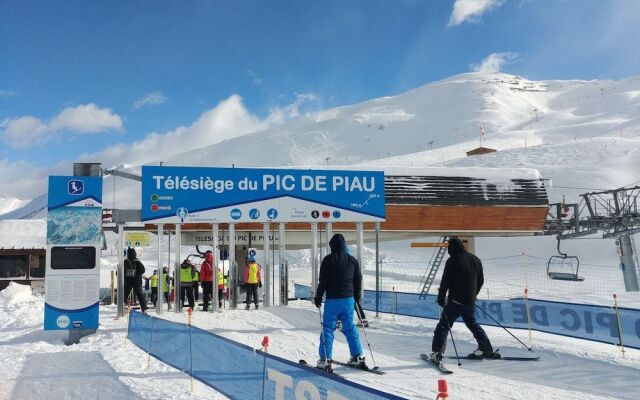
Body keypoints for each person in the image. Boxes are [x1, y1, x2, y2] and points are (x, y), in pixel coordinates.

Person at [429, 237, 497, 364]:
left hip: (455, 301)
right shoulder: (475, 259)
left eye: (449, 248)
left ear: (452, 248)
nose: (448, 251)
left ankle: (437, 353)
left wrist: (441, 299)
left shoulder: (452, 260)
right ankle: (486, 349)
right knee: (472, 324)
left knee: (443, 326)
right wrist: (473, 294)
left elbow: (445, 282)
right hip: (469, 302)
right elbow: (481, 281)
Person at [314, 233, 365, 370]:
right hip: (348, 300)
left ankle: (325, 358)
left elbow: (323, 281)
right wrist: (356, 298)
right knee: (349, 327)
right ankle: (357, 356)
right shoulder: (353, 260)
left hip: (333, 300)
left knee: (328, 328)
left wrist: (318, 297)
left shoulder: (328, 260)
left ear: (332, 246)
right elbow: (358, 280)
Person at [124, 247, 148, 313]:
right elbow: (142, 270)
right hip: (137, 281)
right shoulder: (137, 261)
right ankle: (144, 309)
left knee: (124, 295)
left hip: (128, 281)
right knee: (140, 295)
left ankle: (121, 308)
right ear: (135, 254)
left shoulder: (125, 261)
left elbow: (119, 273)